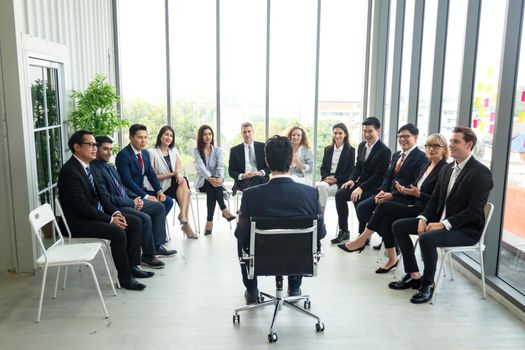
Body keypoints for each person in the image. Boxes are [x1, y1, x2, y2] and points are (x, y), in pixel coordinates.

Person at [388, 126, 493, 304]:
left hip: (465, 230)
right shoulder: (448, 168)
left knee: (427, 238)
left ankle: (428, 284)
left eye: (455, 142)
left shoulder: (481, 173)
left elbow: (474, 211)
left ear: (469, 145)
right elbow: (435, 200)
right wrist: (423, 218)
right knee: (398, 226)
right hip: (438, 222)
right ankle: (414, 275)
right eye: (450, 141)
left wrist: (444, 224)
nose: (450, 145)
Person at [235, 135, 327, 304]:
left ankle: (252, 290)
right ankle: (294, 286)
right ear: (291, 160)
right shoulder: (310, 194)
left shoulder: (251, 195)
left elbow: (241, 234)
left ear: (267, 162)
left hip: (262, 259)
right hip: (299, 259)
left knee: (242, 238)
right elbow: (321, 233)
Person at [338, 133, 448, 273]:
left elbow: (437, 199)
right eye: (428, 146)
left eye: (435, 146)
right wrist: (405, 190)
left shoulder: (444, 169)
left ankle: (361, 240)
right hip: (414, 204)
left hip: (426, 213)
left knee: (383, 207)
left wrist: (416, 194)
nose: (431, 149)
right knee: (385, 220)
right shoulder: (427, 165)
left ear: (444, 149)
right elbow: (403, 181)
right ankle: (392, 259)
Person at [57, 130, 148, 291]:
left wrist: (115, 213)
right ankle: (125, 277)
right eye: (90, 145)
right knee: (118, 232)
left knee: (135, 221)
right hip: (76, 222)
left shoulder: (88, 167)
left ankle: (132, 266)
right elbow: (82, 207)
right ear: (77, 147)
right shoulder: (69, 171)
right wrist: (109, 220)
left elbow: (103, 197)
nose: (94, 148)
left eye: (94, 145)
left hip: (91, 215)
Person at [338, 123, 427, 250]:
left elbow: (415, 182)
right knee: (362, 208)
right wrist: (383, 190)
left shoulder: (421, 157)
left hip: (404, 198)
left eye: (406, 136)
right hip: (386, 193)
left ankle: (373, 240)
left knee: (381, 212)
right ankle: (387, 235)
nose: (402, 139)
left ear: (416, 137)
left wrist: (392, 195)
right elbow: (388, 176)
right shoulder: (397, 155)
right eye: (400, 136)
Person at [91, 136, 166, 269]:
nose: (109, 153)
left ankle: (156, 246)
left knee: (159, 207)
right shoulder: (94, 169)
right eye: (105, 149)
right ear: (96, 149)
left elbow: (122, 187)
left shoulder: (109, 166)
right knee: (144, 218)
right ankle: (148, 256)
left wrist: (137, 198)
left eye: (110, 149)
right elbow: (106, 198)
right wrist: (132, 202)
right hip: (116, 206)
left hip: (128, 200)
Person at [115, 124, 176, 257]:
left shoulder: (145, 153)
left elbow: (151, 174)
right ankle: (156, 245)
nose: (143, 141)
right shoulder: (123, 155)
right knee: (158, 207)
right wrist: (145, 196)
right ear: (131, 138)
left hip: (142, 190)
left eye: (145, 138)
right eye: (139, 138)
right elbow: (127, 182)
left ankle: (152, 238)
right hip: (130, 194)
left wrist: (159, 191)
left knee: (168, 201)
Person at [332, 117, 390, 244]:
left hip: (375, 186)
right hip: (361, 183)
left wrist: (361, 188)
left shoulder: (384, 150)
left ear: (378, 130)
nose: (367, 134)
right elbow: (358, 166)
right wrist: (352, 180)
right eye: (365, 131)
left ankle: (363, 235)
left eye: (370, 131)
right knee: (340, 194)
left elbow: (379, 176)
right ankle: (344, 231)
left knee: (359, 198)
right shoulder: (362, 146)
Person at [148, 126, 197, 239]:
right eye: (166, 135)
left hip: (174, 186)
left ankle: (183, 216)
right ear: (160, 136)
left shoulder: (174, 151)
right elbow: (151, 177)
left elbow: (178, 170)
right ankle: (184, 221)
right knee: (187, 192)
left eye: (171, 136)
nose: (168, 137)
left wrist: (178, 174)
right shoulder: (152, 153)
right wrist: (171, 174)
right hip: (159, 188)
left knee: (183, 180)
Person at [194, 125, 235, 235]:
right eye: (205, 134)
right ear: (201, 137)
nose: (208, 136)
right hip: (203, 181)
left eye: (210, 134)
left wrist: (221, 178)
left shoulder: (217, 150)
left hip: (215, 182)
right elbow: (201, 168)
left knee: (212, 189)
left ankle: (209, 222)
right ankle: (224, 209)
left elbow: (220, 166)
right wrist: (210, 178)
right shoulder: (197, 151)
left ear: (212, 136)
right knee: (211, 185)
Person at [317, 123, 355, 213]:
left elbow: (350, 171)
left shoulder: (351, 151)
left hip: (339, 182)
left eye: (340, 133)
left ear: (345, 134)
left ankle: (320, 216)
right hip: (327, 180)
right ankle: (322, 215)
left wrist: (336, 179)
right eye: (335, 133)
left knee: (320, 191)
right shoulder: (328, 149)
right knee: (321, 186)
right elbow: (323, 168)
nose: (337, 136)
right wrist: (326, 177)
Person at [228, 122, 270, 195]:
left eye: (249, 131)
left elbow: (269, 166)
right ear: (241, 133)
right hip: (244, 180)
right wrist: (243, 176)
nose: (247, 134)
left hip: (261, 177)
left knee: (258, 179)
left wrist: (260, 172)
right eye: (244, 132)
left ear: (253, 132)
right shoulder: (235, 150)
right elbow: (231, 171)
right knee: (259, 186)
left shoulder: (263, 147)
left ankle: (248, 203)